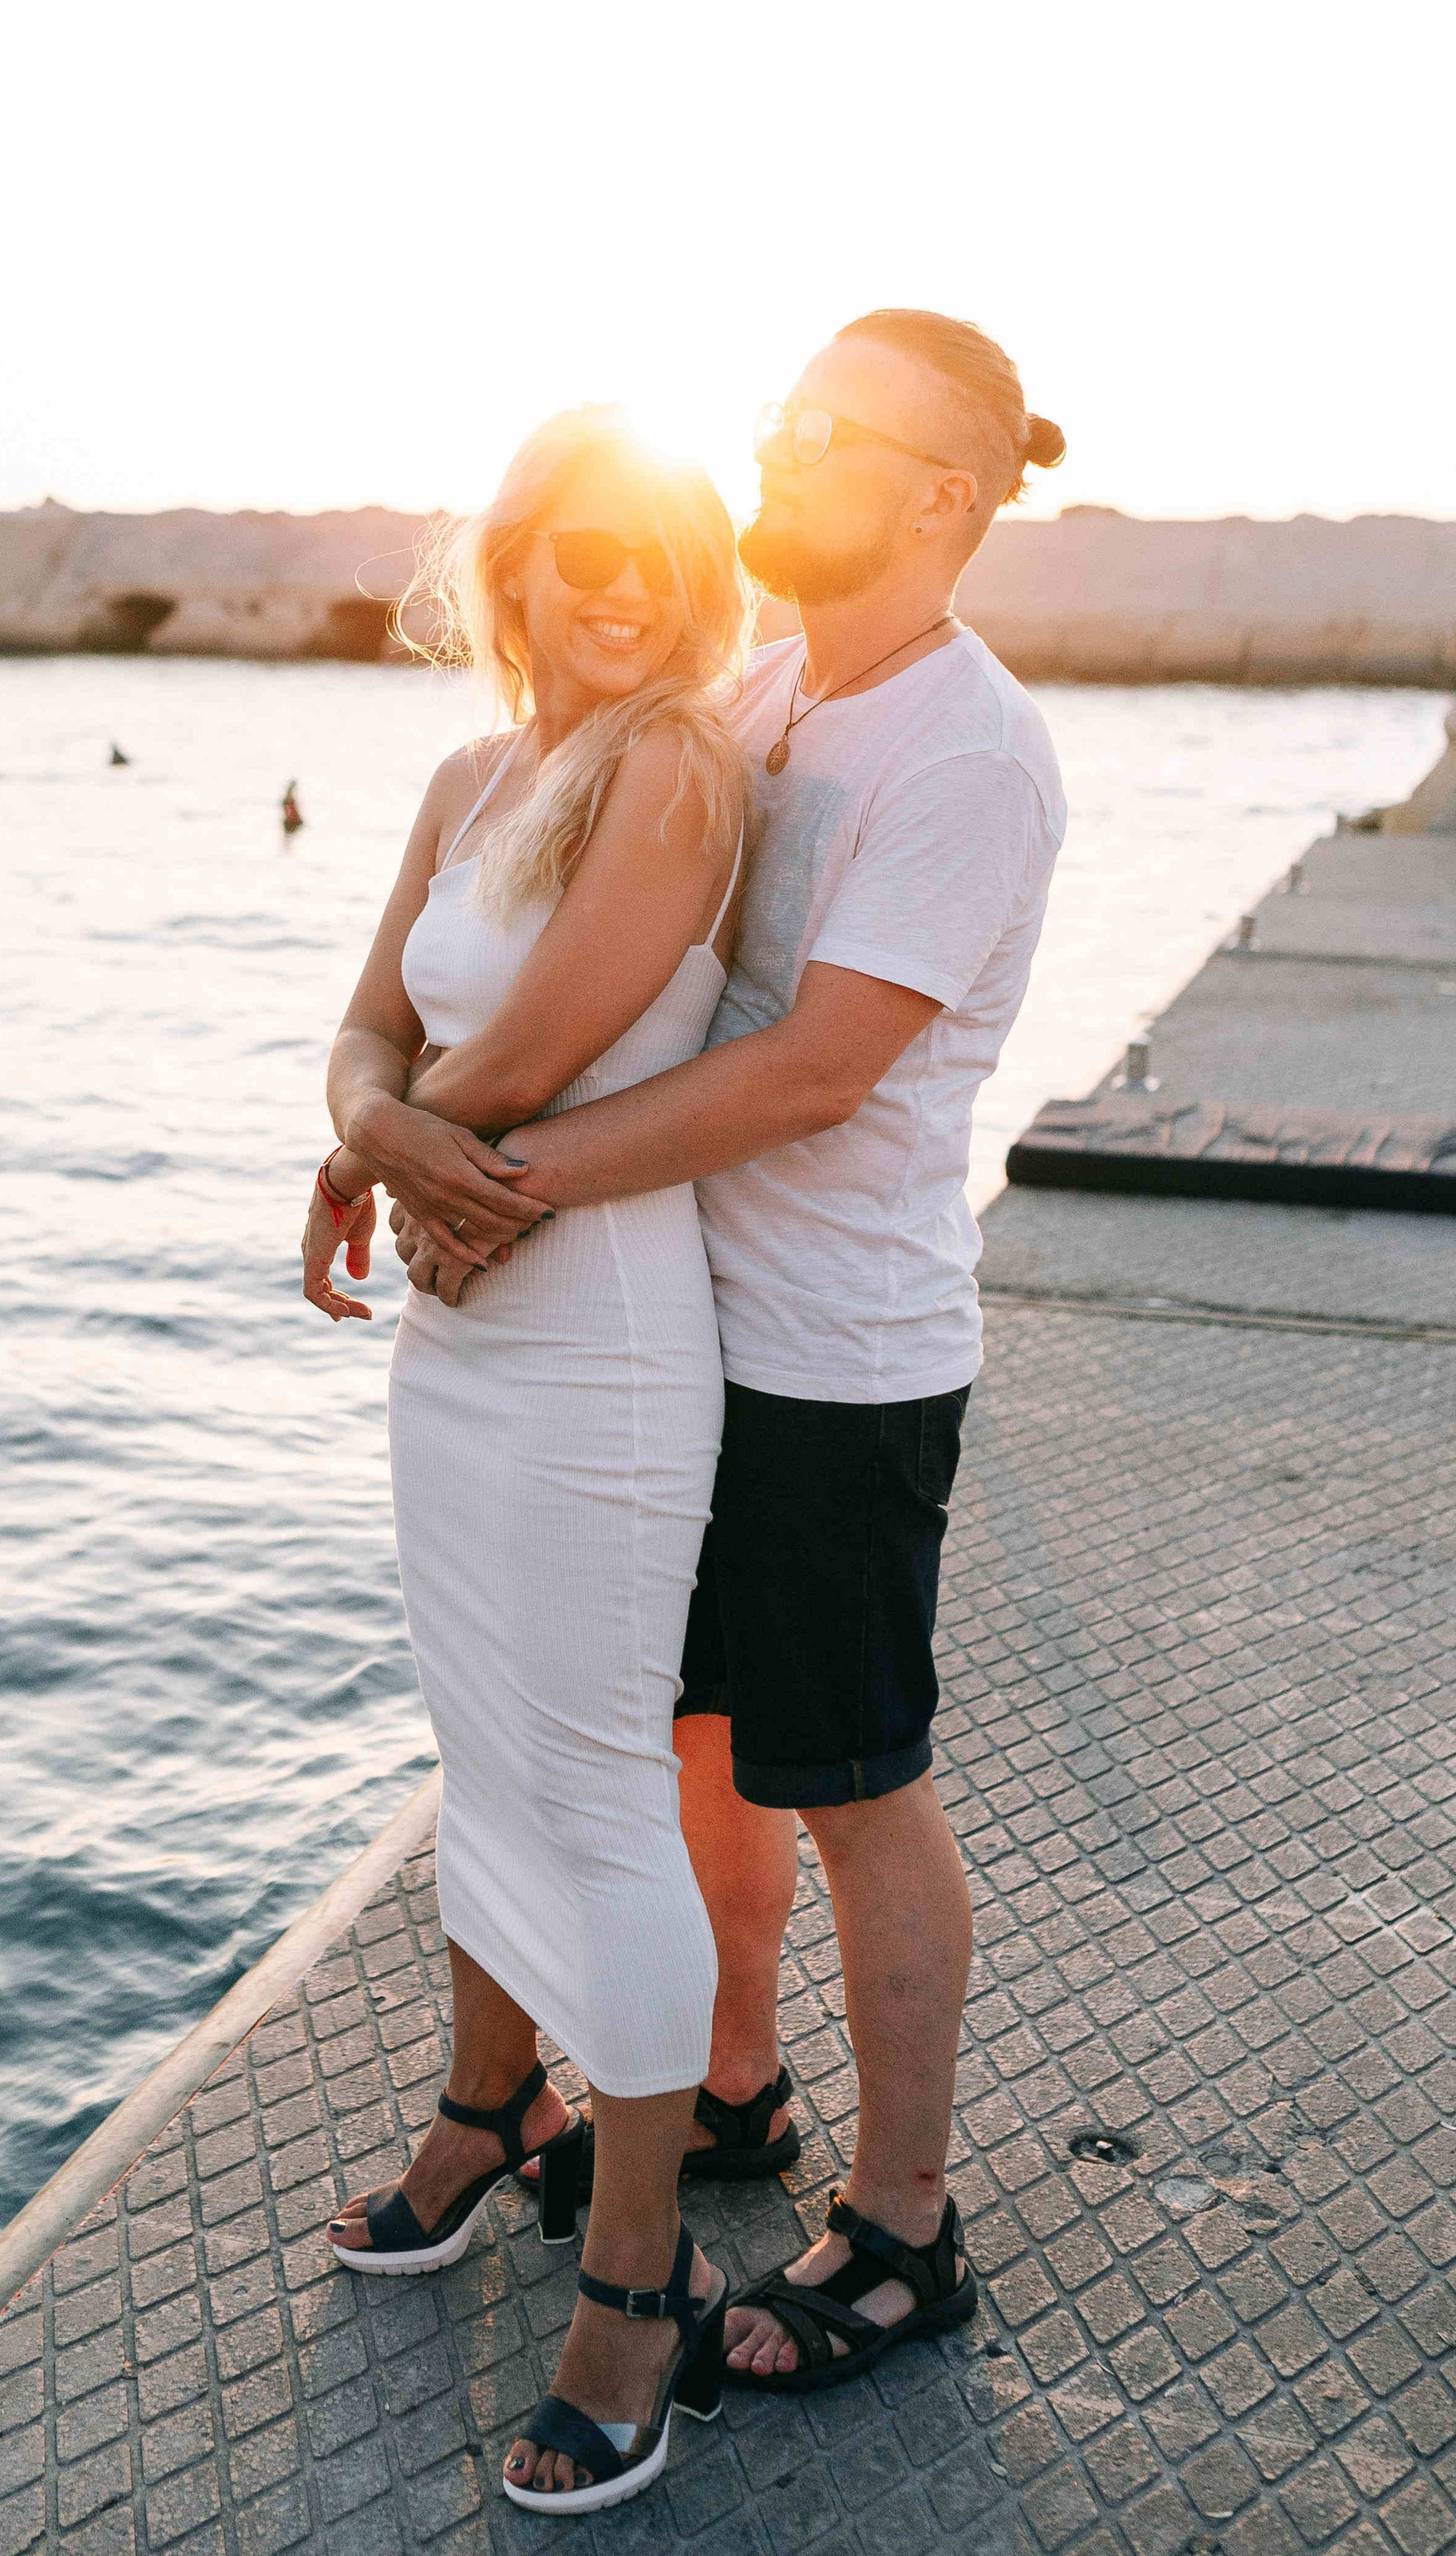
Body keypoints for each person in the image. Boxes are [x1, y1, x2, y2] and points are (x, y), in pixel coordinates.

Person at [385, 311, 1068, 2393]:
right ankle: (743, 2088)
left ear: (940, 496)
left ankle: (906, 2229)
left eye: (824, 434)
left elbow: (814, 1075)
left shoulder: (970, 751)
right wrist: (442, 1137)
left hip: (842, 1363)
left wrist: (495, 1172)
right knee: (692, 1748)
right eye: (777, 415)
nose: (776, 450)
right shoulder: (770, 687)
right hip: (675, 1337)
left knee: (859, 1788)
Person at [300, 406, 754, 2511]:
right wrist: (370, 1122)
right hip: (458, 1325)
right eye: (588, 556)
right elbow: (373, 1023)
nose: (624, 591)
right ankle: (502, 2119)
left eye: (661, 558)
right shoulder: (471, 776)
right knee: (479, 1750)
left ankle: (638, 2273)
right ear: (517, 571)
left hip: (598, 1342)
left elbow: (531, 1054)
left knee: (594, 1783)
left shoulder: (674, 771)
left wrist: (379, 1148)